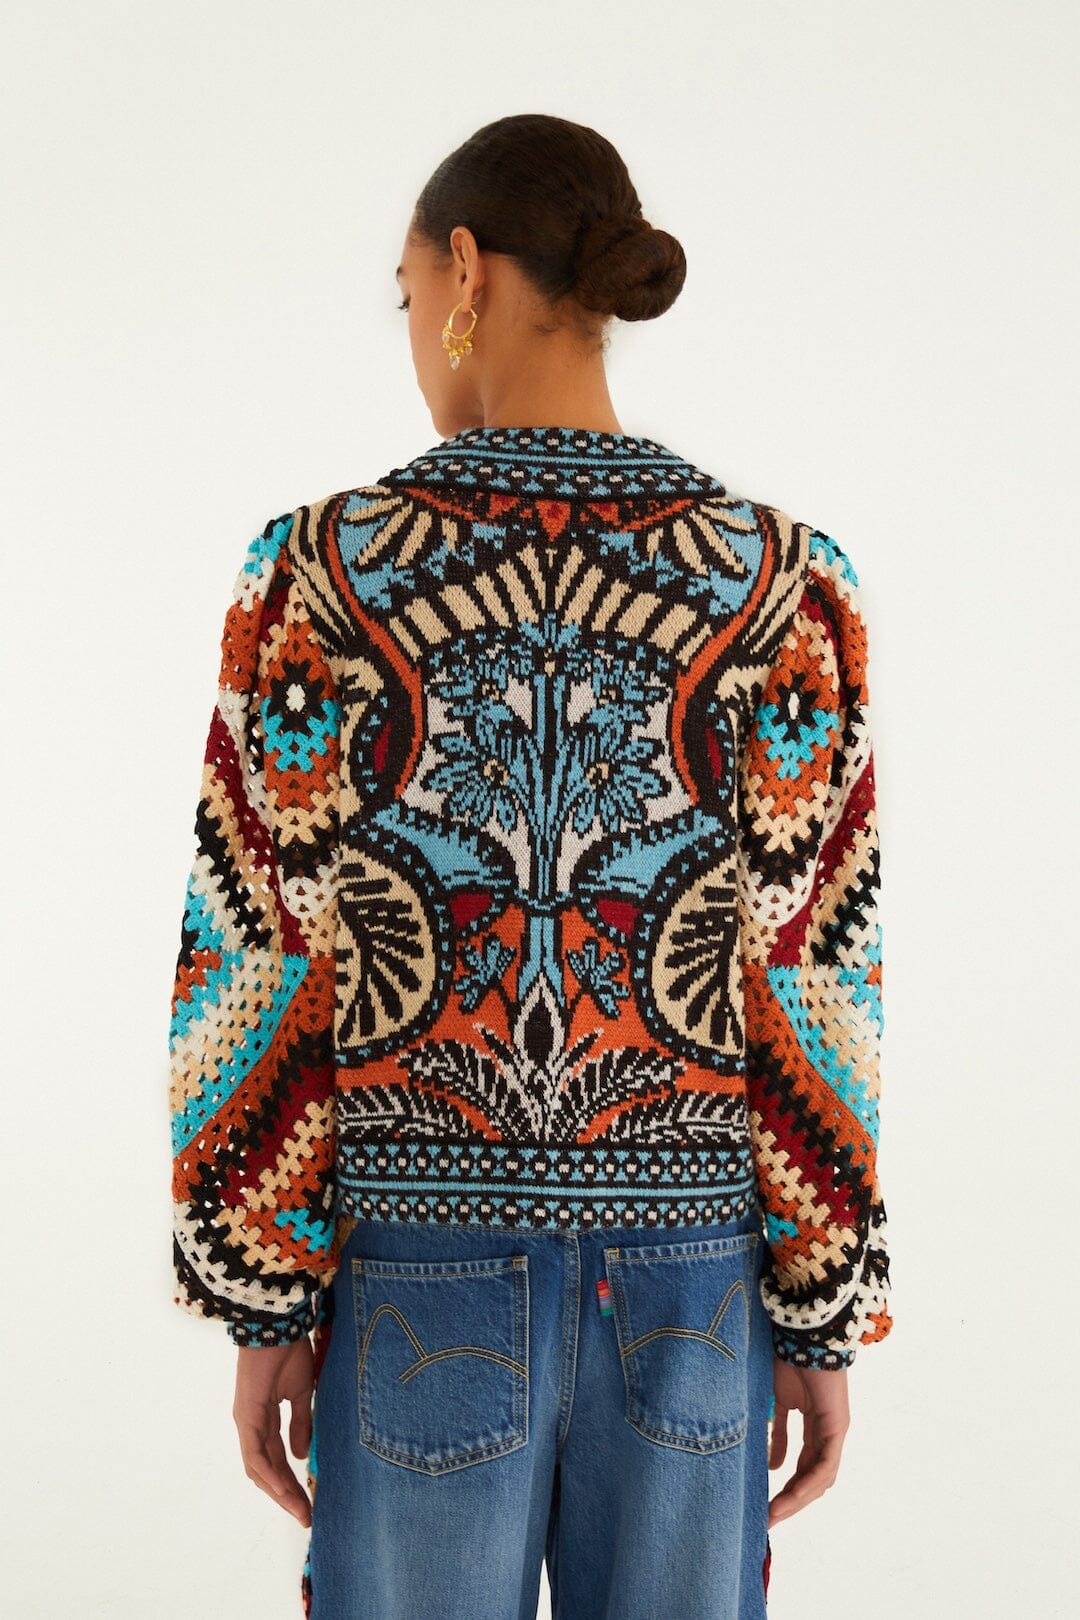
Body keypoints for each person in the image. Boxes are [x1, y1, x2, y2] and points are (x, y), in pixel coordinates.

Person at [167, 112, 892, 1620]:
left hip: (414, 1264)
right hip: (695, 1273)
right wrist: (818, 1309)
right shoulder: (784, 585)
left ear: (463, 272)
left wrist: (262, 1293)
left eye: (406, 295)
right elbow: (813, 963)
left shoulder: (319, 573)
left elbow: (264, 948)